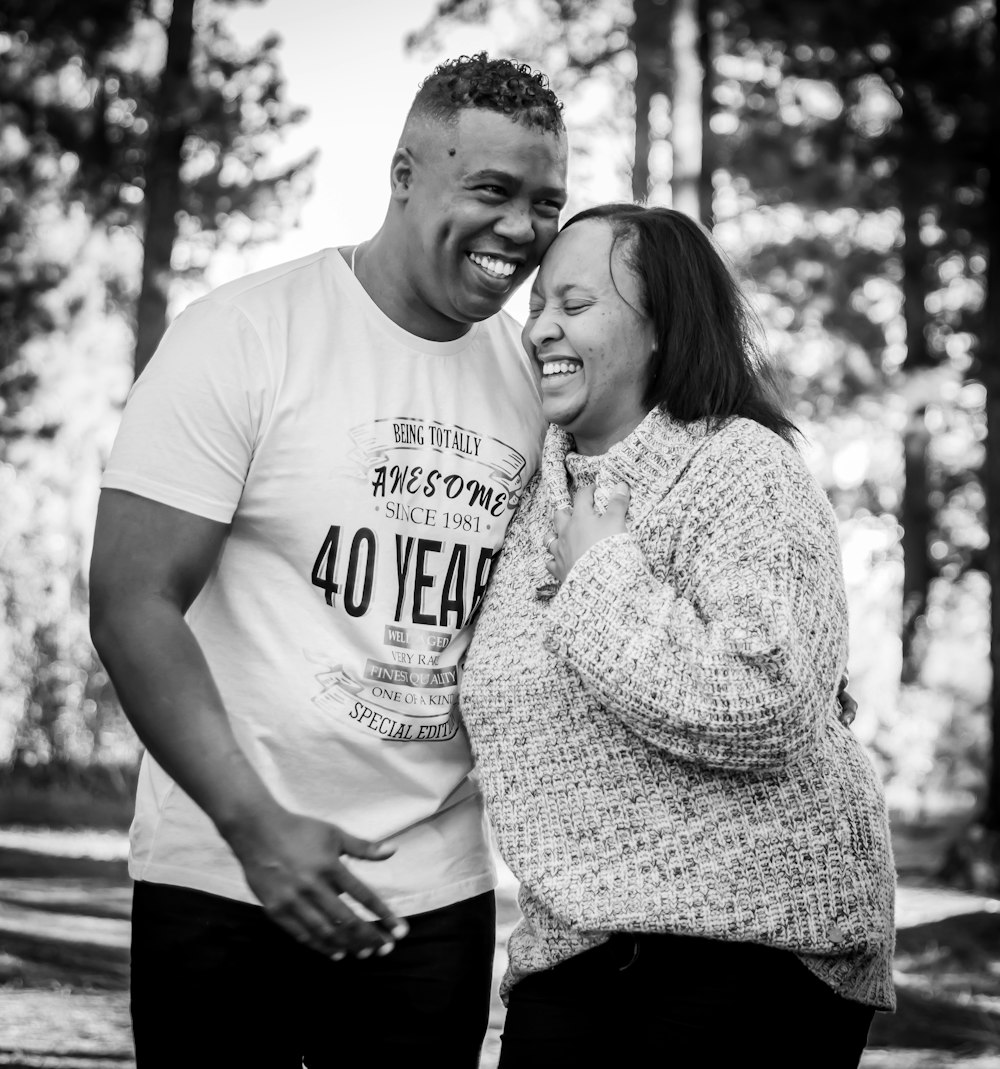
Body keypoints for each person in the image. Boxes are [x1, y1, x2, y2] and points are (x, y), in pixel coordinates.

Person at [88, 53, 568, 1069]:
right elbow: (132, 600)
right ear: (402, 175)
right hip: (222, 870)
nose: (521, 230)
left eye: (545, 202)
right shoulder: (246, 334)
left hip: (433, 895)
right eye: (491, 190)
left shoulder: (537, 386)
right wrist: (254, 824)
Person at [458, 203, 898, 1069]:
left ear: (661, 326)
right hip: (576, 944)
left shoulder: (741, 464)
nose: (542, 324)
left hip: (754, 942)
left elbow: (768, 700)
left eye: (576, 305)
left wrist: (601, 578)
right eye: (538, 303)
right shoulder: (530, 486)